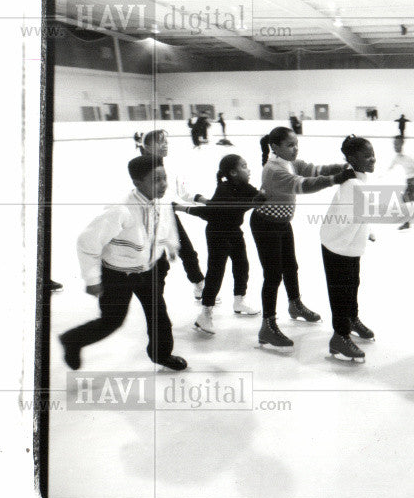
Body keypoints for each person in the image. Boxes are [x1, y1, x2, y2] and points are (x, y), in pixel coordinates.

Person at [59, 155, 187, 372]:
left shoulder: (162, 201)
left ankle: (161, 354)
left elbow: (168, 224)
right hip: (117, 276)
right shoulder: (120, 210)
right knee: (112, 321)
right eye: (156, 179)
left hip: (149, 272)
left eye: (164, 177)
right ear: (138, 183)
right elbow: (87, 243)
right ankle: (73, 340)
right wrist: (92, 279)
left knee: (160, 317)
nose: (164, 184)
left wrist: (171, 246)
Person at [251, 127, 355, 347]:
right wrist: (336, 179)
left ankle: (295, 304)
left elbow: (314, 170)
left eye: (296, 143)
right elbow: (302, 185)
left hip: (281, 223)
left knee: (291, 266)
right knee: (273, 275)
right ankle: (267, 326)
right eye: (290, 145)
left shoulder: (290, 163)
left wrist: (340, 166)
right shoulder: (273, 170)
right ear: (275, 147)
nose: (295, 148)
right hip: (265, 225)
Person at [176, 154, 265, 336]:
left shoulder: (244, 186)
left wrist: (263, 194)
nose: (249, 169)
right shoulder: (223, 189)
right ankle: (205, 313)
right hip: (217, 232)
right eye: (244, 166)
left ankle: (239, 300)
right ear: (233, 172)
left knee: (242, 265)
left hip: (234, 230)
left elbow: (257, 197)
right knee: (216, 271)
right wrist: (182, 208)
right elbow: (211, 212)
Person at [321, 136, 379, 362]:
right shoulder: (353, 184)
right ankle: (339, 337)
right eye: (367, 156)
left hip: (350, 245)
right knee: (341, 292)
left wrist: (366, 230)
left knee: (352, 284)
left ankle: (352, 319)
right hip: (337, 246)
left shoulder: (359, 178)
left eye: (373, 153)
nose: (373, 158)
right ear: (353, 159)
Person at [140, 130, 209, 300]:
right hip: (149, 218)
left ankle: (199, 283)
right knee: (157, 260)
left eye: (166, 141)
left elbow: (183, 191)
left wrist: (202, 199)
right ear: (147, 146)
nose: (165, 145)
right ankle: (155, 297)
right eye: (160, 142)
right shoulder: (140, 167)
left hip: (168, 214)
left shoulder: (170, 167)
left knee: (186, 250)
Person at [389, 136, 414, 230]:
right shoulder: (398, 157)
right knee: (412, 200)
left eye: (396, 144)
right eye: (394, 144)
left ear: (401, 144)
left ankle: (407, 223)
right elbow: (390, 167)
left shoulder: (408, 156)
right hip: (408, 181)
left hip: (413, 181)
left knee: (406, 199)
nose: (394, 146)